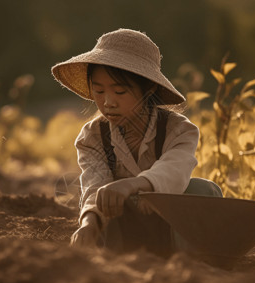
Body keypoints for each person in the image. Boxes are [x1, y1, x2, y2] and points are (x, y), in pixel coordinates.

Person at [51, 28, 222, 257]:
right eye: (99, 91)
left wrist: (135, 185)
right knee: (102, 198)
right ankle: (111, 262)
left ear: (148, 88)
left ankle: (192, 262)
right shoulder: (93, 136)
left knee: (203, 189)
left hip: (173, 231)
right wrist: (88, 224)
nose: (108, 102)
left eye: (120, 91)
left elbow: (175, 167)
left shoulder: (179, 130)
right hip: (125, 233)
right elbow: (93, 184)